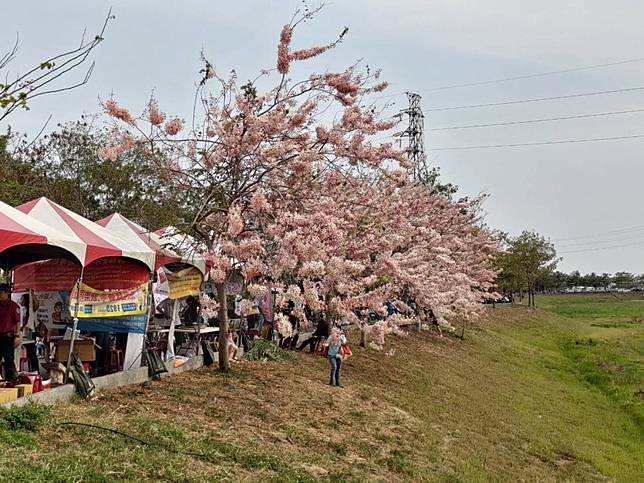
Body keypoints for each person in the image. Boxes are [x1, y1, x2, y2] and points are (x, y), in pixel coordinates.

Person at [0, 284, 21, 382]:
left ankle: (11, 381)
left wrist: (17, 336)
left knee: (9, 360)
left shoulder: (13, 306)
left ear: (7, 293)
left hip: (8, 337)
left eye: (1, 292)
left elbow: (17, 322)